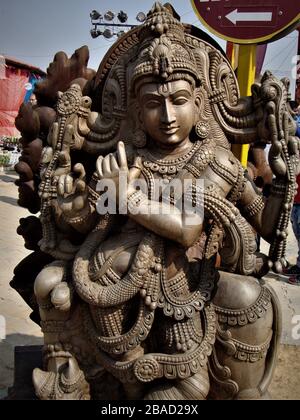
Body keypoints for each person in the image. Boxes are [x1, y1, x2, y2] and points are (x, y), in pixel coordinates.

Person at [15, 3, 299, 401]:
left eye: (178, 100)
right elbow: (96, 222)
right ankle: (79, 376)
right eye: (152, 103)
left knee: (242, 303)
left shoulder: (214, 161)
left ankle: (187, 382)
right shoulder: (125, 160)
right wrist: (75, 207)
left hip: (190, 279)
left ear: (199, 104)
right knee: (54, 283)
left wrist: (281, 188)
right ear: (135, 109)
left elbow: (222, 226)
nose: (167, 115)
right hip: (115, 276)